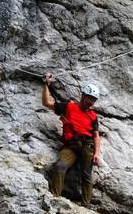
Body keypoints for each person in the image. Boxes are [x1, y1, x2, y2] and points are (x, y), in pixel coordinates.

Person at [42, 73, 101, 206]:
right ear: (83, 96)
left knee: (86, 175)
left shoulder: (93, 115)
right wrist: (46, 84)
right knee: (60, 166)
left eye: (94, 100)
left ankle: (86, 205)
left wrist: (97, 153)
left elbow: (96, 135)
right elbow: (46, 103)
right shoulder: (69, 106)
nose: (91, 102)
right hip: (71, 145)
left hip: (87, 146)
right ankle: (54, 197)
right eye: (90, 98)